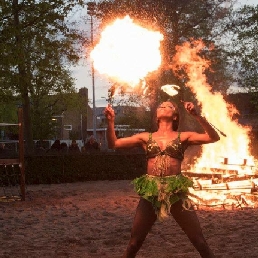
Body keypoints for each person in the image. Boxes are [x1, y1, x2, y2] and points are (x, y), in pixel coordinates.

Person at [104, 100, 220, 258]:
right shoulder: (145, 137)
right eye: (161, 106)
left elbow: (213, 137)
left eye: (169, 106)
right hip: (151, 190)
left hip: (176, 190)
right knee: (133, 244)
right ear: (157, 117)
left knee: (199, 241)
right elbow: (114, 144)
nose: (164, 107)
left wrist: (197, 116)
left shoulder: (184, 136)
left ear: (175, 117)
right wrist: (110, 122)